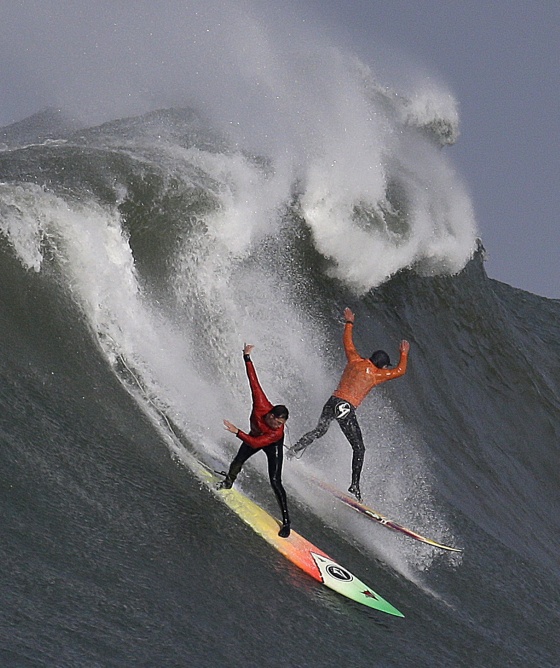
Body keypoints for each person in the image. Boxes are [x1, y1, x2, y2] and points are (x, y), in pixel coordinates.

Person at [288, 307, 410, 502]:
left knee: (319, 431)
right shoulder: (376, 374)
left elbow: (348, 343)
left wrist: (349, 323)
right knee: (359, 448)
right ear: (381, 365)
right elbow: (400, 371)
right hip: (345, 406)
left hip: (332, 401)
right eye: (385, 366)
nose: (386, 369)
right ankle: (354, 485)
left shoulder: (354, 359)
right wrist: (403, 354)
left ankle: (293, 451)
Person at [220, 343, 291, 538]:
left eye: (281, 424)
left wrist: (238, 432)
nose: (278, 426)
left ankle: (286, 522)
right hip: (254, 436)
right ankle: (227, 483)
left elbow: (256, 444)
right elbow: (254, 381)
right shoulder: (261, 403)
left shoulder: (276, 433)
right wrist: (247, 357)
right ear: (270, 415)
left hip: (269, 444)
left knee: (275, 481)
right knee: (238, 461)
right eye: (277, 422)